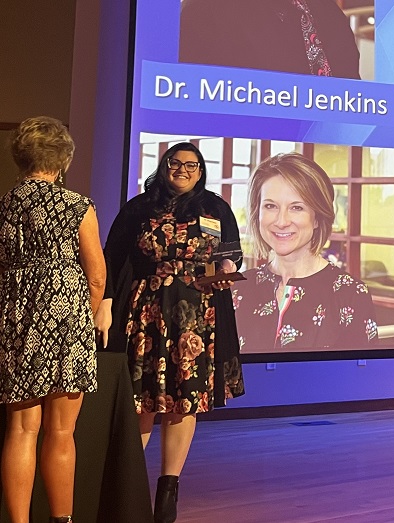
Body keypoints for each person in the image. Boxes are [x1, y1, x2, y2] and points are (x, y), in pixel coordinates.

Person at [101, 142, 244, 523]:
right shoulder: (139, 208)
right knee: (141, 400)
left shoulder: (216, 207)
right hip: (146, 312)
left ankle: (168, 491)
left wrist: (226, 269)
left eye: (191, 165)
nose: (183, 170)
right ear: (164, 167)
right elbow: (112, 258)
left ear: (201, 170)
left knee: (184, 400)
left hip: (197, 316)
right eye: (175, 163)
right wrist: (105, 304)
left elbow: (232, 252)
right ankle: (127, 485)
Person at [0, 117, 106, 523]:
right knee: (61, 432)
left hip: (15, 318)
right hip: (66, 319)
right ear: (63, 160)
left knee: (21, 429)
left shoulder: (6, 204)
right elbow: (96, 275)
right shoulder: (77, 205)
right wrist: (86, 314)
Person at [232, 153, 378, 351]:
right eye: (270, 206)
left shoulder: (350, 294)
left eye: (297, 208)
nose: (281, 221)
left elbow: (360, 379)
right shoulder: (237, 289)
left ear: (317, 218)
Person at [178, 0, 361, 79]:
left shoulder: (330, 14)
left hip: (333, 141)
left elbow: (352, 91)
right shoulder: (206, 9)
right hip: (244, 141)